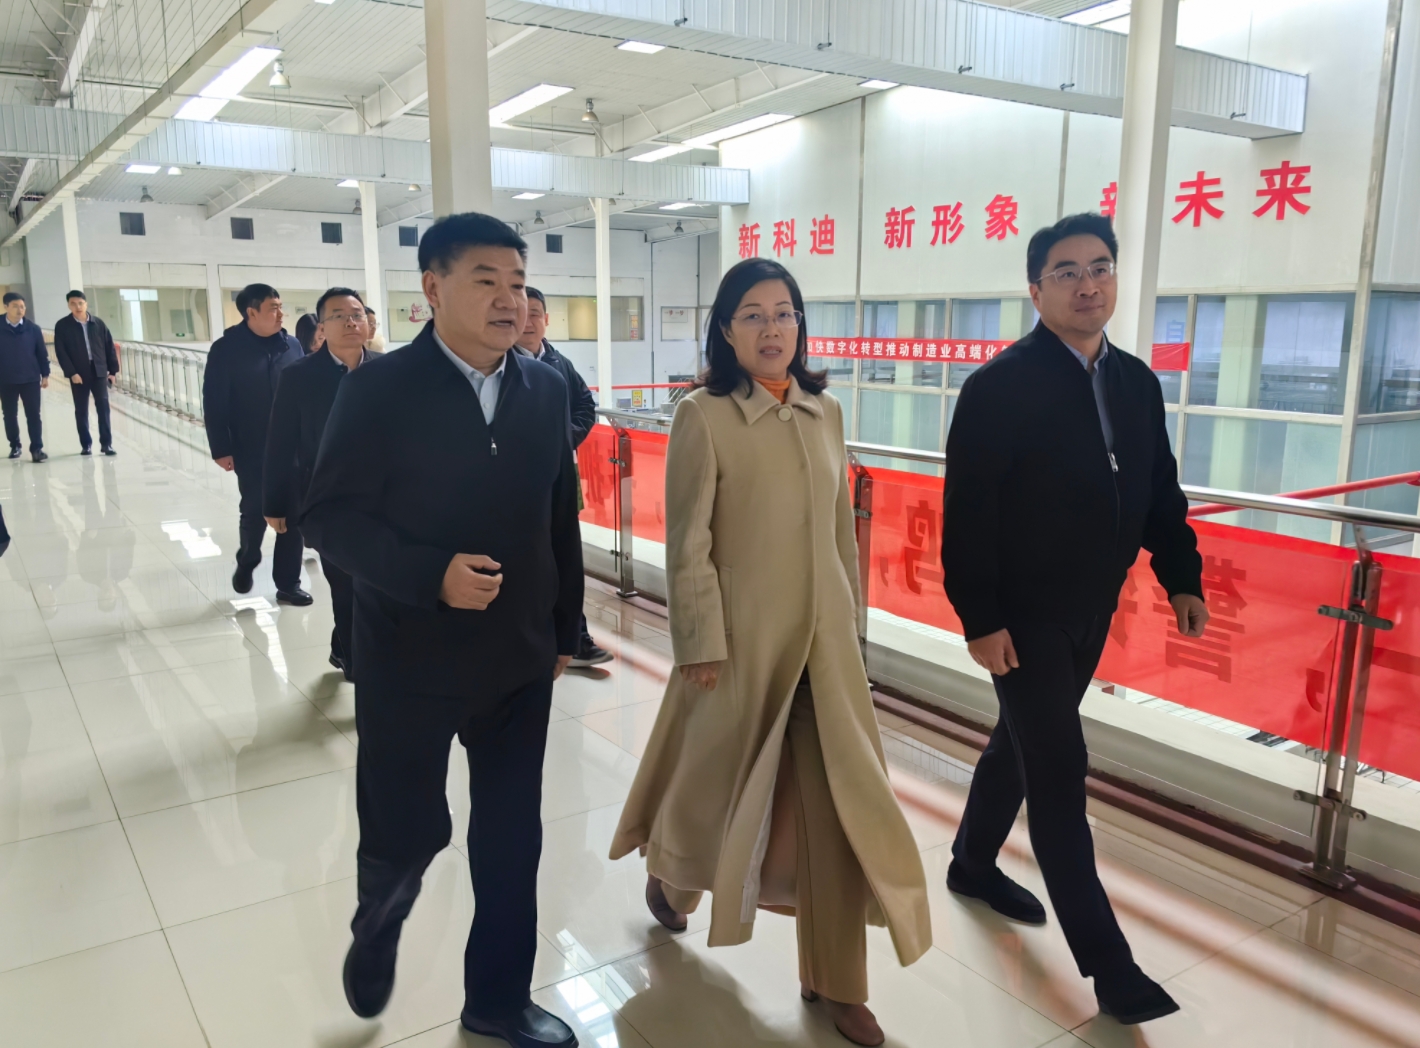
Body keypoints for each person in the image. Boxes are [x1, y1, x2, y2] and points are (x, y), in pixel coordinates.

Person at [610, 258, 931, 1048]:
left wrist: (848, 630)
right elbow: (688, 540)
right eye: (752, 314)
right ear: (725, 330)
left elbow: (839, 537)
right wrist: (700, 641)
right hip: (739, 646)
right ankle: (674, 882)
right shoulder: (704, 416)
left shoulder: (825, 411)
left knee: (838, 808)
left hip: (823, 651)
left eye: (784, 312)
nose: (772, 328)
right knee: (713, 786)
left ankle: (837, 981)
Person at [298, 212, 583, 1048]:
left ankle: (497, 1000)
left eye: (517, 283)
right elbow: (331, 519)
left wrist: (563, 629)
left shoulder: (545, 390)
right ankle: (379, 916)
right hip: (409, 658)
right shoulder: (380, 389)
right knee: (409, 831)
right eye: (485, 280)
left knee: (511, 840)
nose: (509, 300)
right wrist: (431, 576)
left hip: (518, 658)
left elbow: (558, 516)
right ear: (433, 288)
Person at [941, 212, 1208, 1026]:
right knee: (1059, 770)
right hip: (1023, 617)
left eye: (1100, 268)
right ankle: (1111, 969)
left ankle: (970, 863)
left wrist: (1181, 575)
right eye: (1066, 271)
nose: (1087, 284)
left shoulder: (1137, 384)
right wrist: (980, 619)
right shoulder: (998, 387)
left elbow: (1158, 489)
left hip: (1093, 606)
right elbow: (968, 514)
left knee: (1019, 745)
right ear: (1036, 290)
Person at [263, 289, 371, 681]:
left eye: (357, 314)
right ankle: (357, 665)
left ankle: (345, 647)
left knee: (374, 587)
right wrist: (275, 502)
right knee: (345, 586)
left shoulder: (388, 369)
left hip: (382, 501)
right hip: (327, 502)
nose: (351, 322)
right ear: (322, 327)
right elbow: (281, 442)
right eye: (339, 315)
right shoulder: (299, 376)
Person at [516, 286, 609, 668]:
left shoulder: (558, 362)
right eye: (524, 313)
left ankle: (575, 635)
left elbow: (586, 404)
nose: (530, 321)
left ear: (546, 319)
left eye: (536, 314)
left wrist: (565, 437)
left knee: (565, 552)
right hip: (517, 481)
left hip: (562, 475)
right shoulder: (501, 364)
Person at [202, 283, 308, 602]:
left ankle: (288, 584)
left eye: (281, 307)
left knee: (294, 514)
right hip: (251, 446)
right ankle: (248, 559)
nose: (281, 314)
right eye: (273, 308)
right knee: (255, 510)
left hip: (294, 447)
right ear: (251, 312)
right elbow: (214, 401)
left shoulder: (291, 345)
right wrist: (221, 448)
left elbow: (305, 392)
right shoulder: (226, 349)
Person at [53, 290, 119, 456]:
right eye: (73, 304)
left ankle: (106, 444)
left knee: (103, 408)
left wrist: (113, 371)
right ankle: (86, 445)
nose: (78, 307)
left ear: (86, 304)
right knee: (81, 410)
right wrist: (71, 373)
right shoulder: (62, 325)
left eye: (80, 303)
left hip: (99, 371)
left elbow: (109, 347)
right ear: (69, 305)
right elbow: (61, 352)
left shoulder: (98, 323)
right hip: (78, 374)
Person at [0, 292, 49, 462]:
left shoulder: (33, 329)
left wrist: (45, 375)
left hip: (30, 379)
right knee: (9, 415)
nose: (20, 310)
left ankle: (37, 449)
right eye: (15, 306)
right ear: (5, 307)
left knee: (34, 415)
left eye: (22, 306)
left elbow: (42, 354)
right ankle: (15, 445)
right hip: (5, 380)